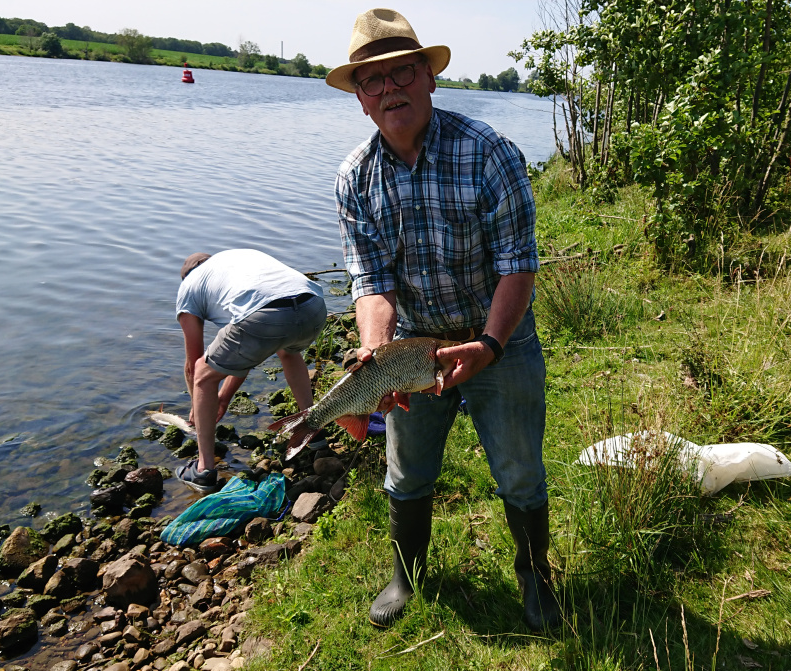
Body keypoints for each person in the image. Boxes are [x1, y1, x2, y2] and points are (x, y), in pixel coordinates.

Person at [327, 8, 560, 631]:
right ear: (360, 100)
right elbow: (372, 281)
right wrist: (375, 355)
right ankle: (406, 575)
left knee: (519, 470)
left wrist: (488, 345)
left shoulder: (490, 153)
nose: (389, 89)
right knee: (406, 470)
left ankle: (535, 578)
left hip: (497, 338)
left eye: (402, 71)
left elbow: (518, 265)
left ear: (428, 79)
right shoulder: (355, 177)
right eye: (371, 81)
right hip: (412, 346)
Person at [174, 249, 327, 492]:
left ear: (187, 276)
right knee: (289, 352)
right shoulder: (235, 262)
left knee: (203, 374)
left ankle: (203, 470)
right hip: (314, 306)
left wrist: (199, 404)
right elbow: (241, 354)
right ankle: (314, 434)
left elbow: (194, 366)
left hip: (265, 313)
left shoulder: (189, 287)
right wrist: (223, 398)